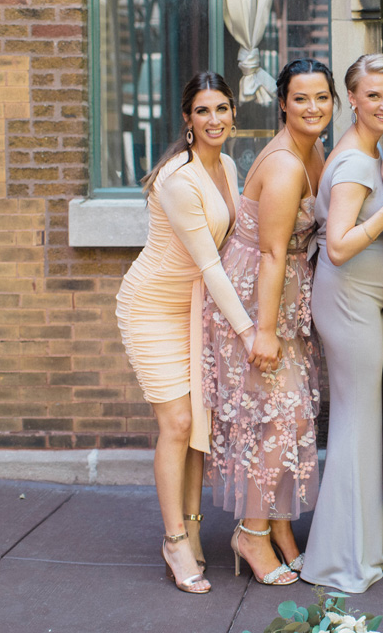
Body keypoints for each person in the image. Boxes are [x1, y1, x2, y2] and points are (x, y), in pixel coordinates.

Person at [116, 72, 256, 594]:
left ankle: (193, 531)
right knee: (177, 423)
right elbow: (209, 263)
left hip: (195, 308)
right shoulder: (180, 177)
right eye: (203, 110)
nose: (215, 119)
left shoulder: (227, 164)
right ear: (187, 118)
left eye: (222, 108)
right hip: (153, 307)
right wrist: (246, 331)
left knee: (199, 427)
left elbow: (235, 242)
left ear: (233, 114)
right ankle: (174, 540)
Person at [300, 54, 383, 593]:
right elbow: (338, 245)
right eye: (372, 95)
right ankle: (339, 558)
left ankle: (364, 542)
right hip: (349, 301)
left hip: (360, 300)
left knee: (362, 421)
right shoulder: (356, 162)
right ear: (351, 99)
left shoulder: (362, 151)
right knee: (355, 423)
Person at [201, 59, 334, 587]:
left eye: (322, 97)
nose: (313, 108)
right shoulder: (283, 166)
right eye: (301, 99)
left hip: (286, 295)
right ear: (282, 103)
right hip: (260, 297)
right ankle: (251, 534)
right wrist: (263, 330)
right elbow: (275, 253)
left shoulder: (314, 150)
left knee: (294, 411)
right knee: (278, 416)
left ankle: (280, 529)